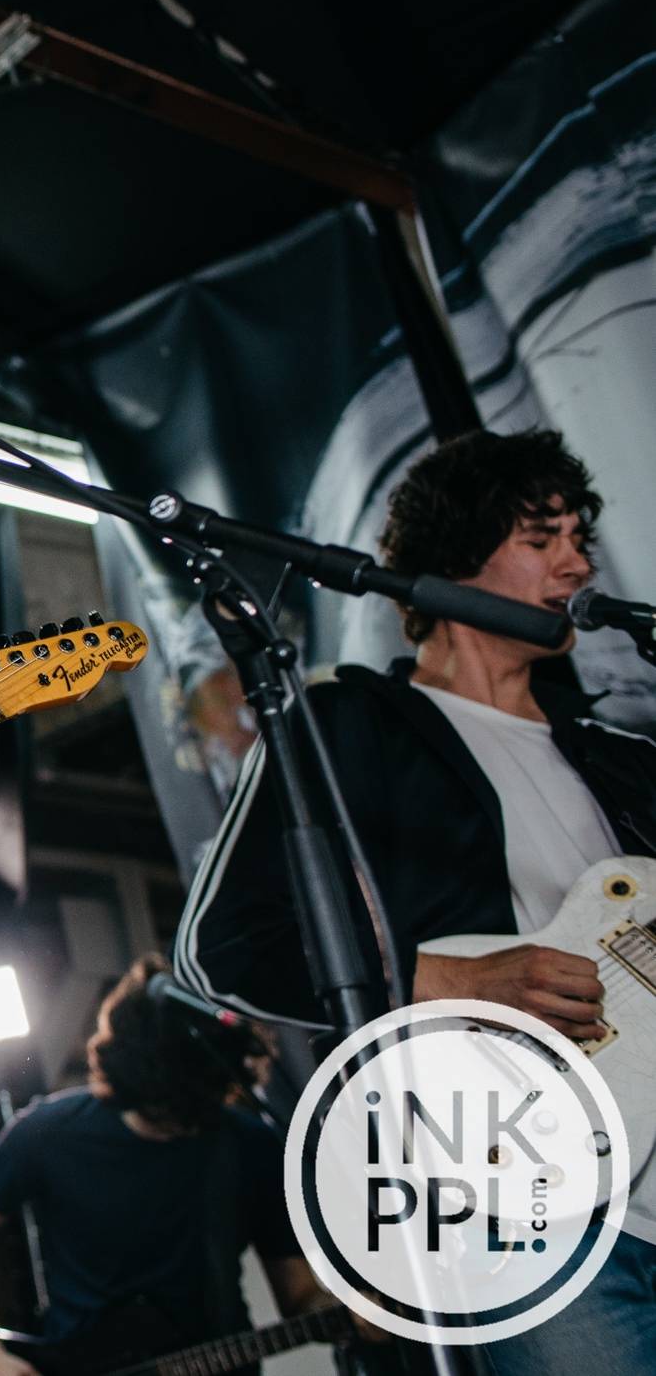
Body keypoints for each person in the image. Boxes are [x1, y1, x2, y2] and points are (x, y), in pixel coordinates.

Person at [175, 427, 656, 1370]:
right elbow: (222, 944)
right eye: (541, 537)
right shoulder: (351, 726)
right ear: (452, 562)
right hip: (523, 1199)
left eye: (579, 537)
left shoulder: (622, 756)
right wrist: (445, 977)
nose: (577, 563)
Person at [0, 956, 336, 1376]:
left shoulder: (248, 1144)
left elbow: (298, 1295)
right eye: (166, 1111)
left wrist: (343, 1313)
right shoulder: (49, 1132)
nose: (183, 1124)